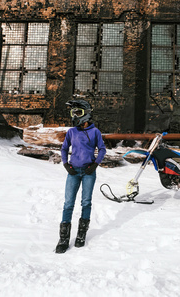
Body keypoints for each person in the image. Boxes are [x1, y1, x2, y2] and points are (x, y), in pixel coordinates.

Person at [55, 100, 107, 254]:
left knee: (86, 202)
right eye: (73, 113)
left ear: (86, 114)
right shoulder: (72, 131)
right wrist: (66, 164)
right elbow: (64, 149)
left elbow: (102, 150)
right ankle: (63, 239)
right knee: (68, 203)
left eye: (78, 113)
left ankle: (81, 235)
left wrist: (95, 164)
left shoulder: (95, 132)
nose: (75, 116)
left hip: (88, 172)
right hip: (73, 171)